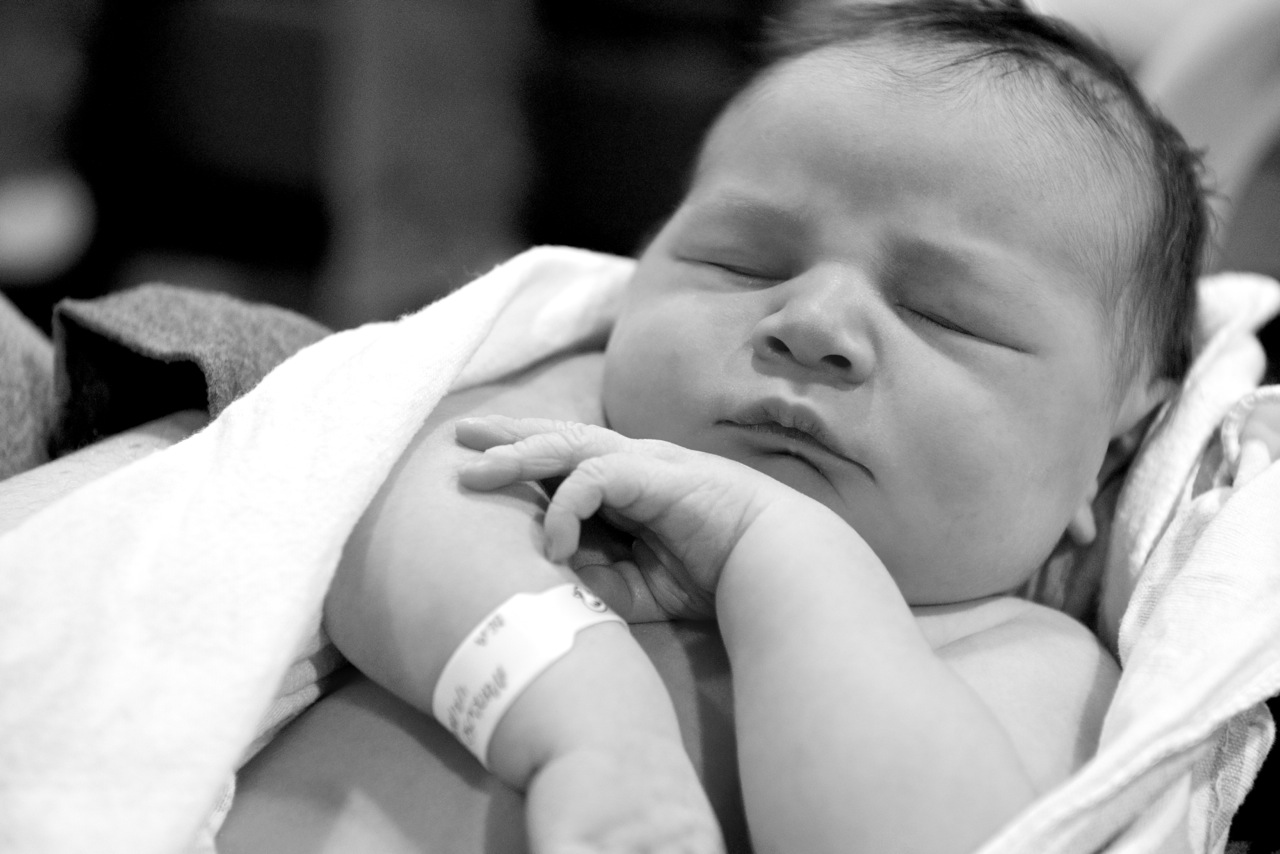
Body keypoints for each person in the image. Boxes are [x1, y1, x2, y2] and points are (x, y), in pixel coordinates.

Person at [222, 1, 1216, 852]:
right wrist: (593, 730)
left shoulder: (1024, 655)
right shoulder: (582, 442)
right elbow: (373, 512)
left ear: (1112, 451)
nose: (813, 325)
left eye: (941, 313)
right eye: (742, 261)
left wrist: (776, 546)